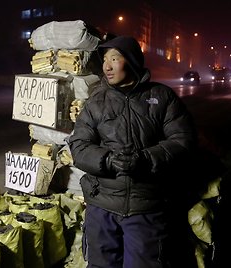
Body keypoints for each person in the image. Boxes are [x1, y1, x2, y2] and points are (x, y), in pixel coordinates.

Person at [68, 36, 198, 267]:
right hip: (102, 206)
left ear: (133, 62)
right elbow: (79, 145)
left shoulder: (162, 97)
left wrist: (145, 159)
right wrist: (107, 160)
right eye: (105, 60)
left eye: (115, 59)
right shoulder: (96, 103)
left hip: (146, 207)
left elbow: (183, 141)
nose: (107, 66)